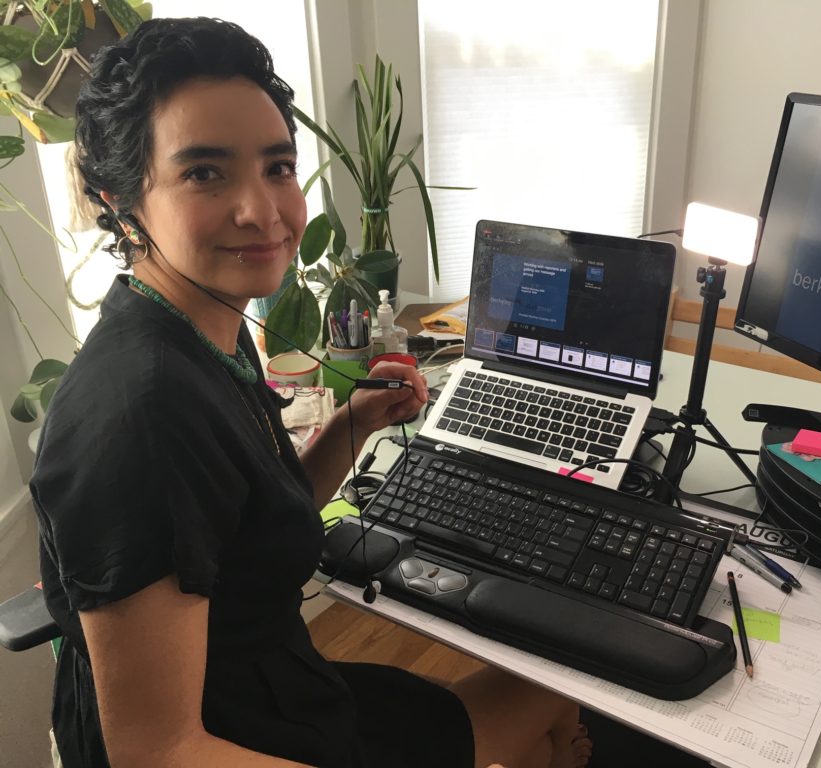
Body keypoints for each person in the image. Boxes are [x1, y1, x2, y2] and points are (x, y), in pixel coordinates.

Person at [31, 17, 592, 768]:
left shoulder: (198, 325)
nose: (263, 211)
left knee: (551, 716)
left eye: (277, 166)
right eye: (204, 172)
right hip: (227, 735)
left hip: (268, 677)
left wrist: (353, 427)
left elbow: (245, 518)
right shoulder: (144, 413)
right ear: (123, 201)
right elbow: (157, 752)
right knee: (553, 695)